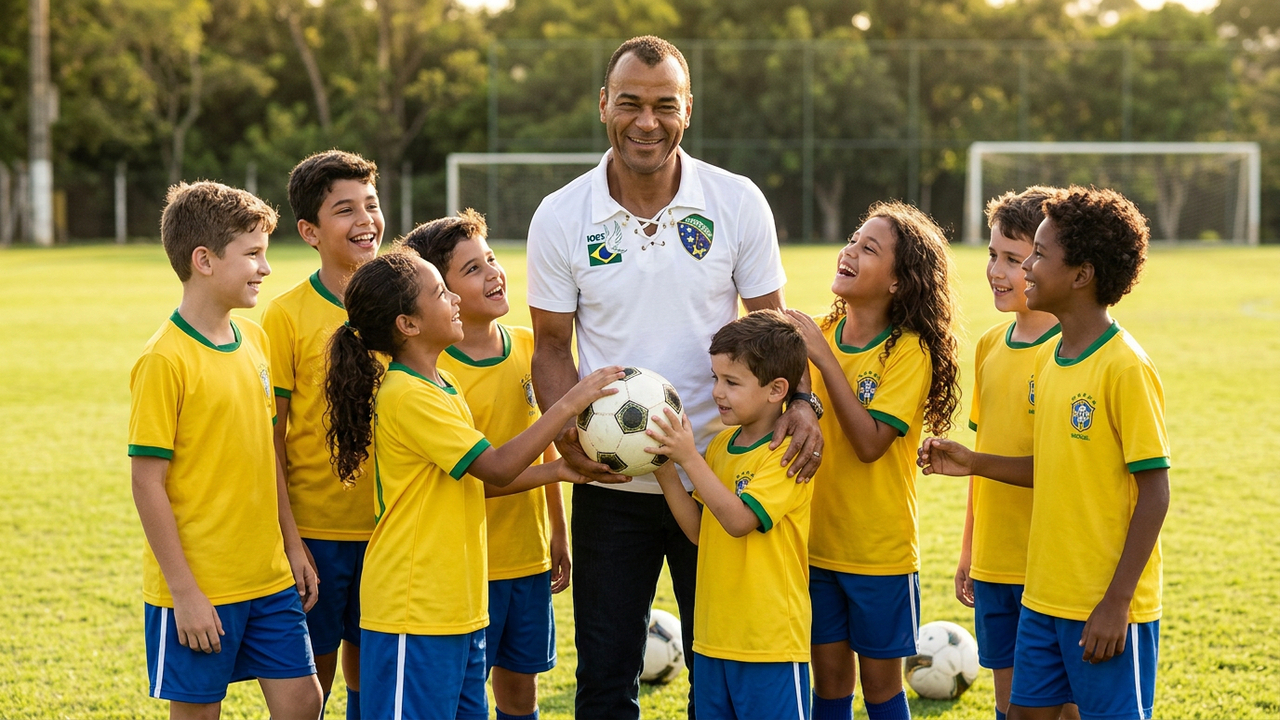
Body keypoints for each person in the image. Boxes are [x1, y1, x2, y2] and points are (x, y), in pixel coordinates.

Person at [526, 34, 824, 720]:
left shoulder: (737, 200)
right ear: (604, 104)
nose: (646, 121)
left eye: (664, 105)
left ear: (689, 109)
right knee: (604, 680)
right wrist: (568, 433)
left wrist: (802, 400)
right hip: (615, 479)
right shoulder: (560, 215)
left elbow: (773, 326)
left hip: (722, 473)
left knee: (715, 670)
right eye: (629, 102)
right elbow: (549, 345)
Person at [323, 251, 623, 719]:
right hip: (413, 609)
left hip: (459, 608)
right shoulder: (408, 395)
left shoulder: (442, 385)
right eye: (441, 292)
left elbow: (476, 481)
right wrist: (568, 403)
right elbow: (500, 466)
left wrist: (556, 471)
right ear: (408, 324)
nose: (455, 299)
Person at [919, 187, 1169, 720]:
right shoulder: (1053, 361)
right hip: (1042, 598)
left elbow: (1155, 492)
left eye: (1036, 255)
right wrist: (975, 462)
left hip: (1100, 605)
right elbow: (1053, 468)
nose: (1025, 266)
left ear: (1081, 274)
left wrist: (1117, 602)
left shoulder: (1125, 367)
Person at [128, 181, 322, 719]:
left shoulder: (255, 341)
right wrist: (185, 593)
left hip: (269, 577)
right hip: (199, 587)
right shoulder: (164, 360)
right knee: (197, 713)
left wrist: (291, 542)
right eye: (253, 254)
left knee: (304, 701)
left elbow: (268, 454)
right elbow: (147, 482)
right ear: (204, 260)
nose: (265, 267)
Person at [784, 201, 961, 720]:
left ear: (898, 283)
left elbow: (868, 443)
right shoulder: (814, 333)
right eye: (853, 239)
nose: (850, 251)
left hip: (878, 552)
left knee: (882, 689)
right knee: (830, 683)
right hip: (813, 545)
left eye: (870, 248)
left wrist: (822, 357)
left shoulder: (908, 352)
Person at [402, 211, 571, 720]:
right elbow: (479, 477)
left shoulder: (527, 346)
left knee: (521, 692)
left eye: (491, 259)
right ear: (441, 293)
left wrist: (557, 533)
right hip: (470, 567)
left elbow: (542, 445)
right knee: (465, 691)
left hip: (529, 556)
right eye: (471, 269)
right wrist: (558, 473)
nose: (493, 272)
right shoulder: (434, 372)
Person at [261, 149, 383, 719]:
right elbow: (272, 445)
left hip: (394, 529)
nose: (365, 220)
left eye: (371, 204)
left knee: (376, 682)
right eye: (344, 209)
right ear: (309, 230)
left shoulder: (409, 301)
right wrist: (291, 541)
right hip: (318, 535)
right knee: (314, 686)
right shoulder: (285, 316)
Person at [644, 309, 814, 720]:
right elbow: (703, 532)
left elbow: (739, 522)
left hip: (769, 644)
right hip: (712, 640)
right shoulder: (721, 446)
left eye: (731, 382)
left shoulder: (785, 452)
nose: (717, 392)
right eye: (715, 378)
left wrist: (688, 456)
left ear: (777, 390)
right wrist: (667, 470)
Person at [957, 187, 1081, 720]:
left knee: (1066, 702)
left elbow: (1069, 471)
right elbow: (980, 461)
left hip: (1054, 567)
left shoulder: (1071, 352)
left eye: (1015, 258)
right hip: (994, 561)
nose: (999, 271)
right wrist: (969, 551)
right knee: (1009, 704)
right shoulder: (988, 346)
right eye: (993, 255)